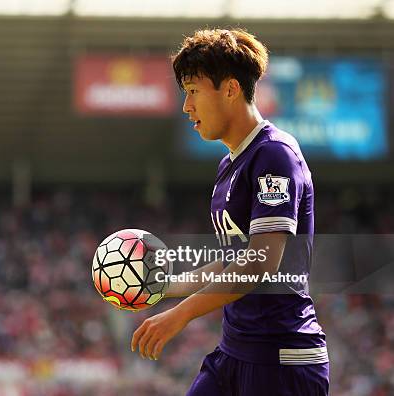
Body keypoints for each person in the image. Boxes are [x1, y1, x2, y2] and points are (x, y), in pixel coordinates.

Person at [130, 29, 329, 395]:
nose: (187, 107)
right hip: (234, 355)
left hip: (280, 362)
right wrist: (163, 287)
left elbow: (259, 263)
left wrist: (181, 313)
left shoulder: (275, 154)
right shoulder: (229, 164)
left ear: (231, 89)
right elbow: (233, 260)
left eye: (193, 92)